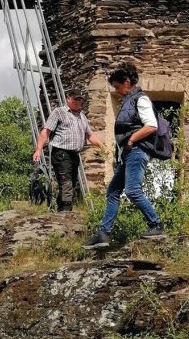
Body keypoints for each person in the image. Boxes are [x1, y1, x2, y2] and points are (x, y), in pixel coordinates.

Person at [83, 62, 165, 249]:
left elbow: (151, 125)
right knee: (113, 191)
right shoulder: (128, 101)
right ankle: (103, 234)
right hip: (128, 154)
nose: (118, 91)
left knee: (132, 190)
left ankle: (156, 225)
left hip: (137, 151)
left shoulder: (140, 99)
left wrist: (131, 140)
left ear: (127, 82)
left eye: (118, 87)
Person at [33, 88, 101, 212]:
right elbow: (46, 131)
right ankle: (66, 210)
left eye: (80, 100)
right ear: (68, 98)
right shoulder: (59, 112)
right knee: (67, 182)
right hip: (61, 153)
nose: (78, 102)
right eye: (76, 99)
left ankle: (61, 209)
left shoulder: (82, 117)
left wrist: (103, 147)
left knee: (72, 183)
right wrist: (38, 149)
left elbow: (90, 135)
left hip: (75, 155)